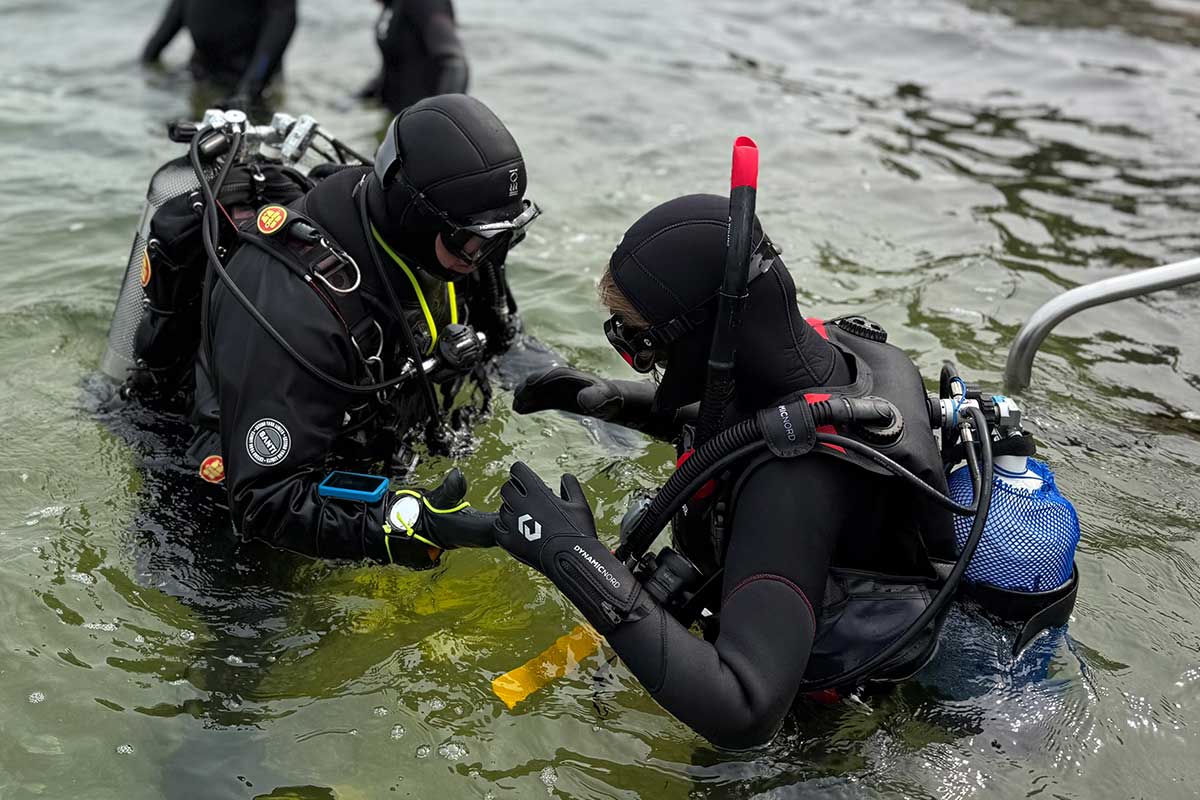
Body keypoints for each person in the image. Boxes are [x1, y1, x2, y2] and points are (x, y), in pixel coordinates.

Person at [492, 193, 961, 749]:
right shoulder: (837, 353)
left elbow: (745, 709)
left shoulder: (794, 483)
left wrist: (572, 555)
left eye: (641, 343)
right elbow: (742, 426)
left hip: (834, 739)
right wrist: (614, 399)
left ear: (704, 336)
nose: (639, 359)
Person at [191, 93, 540, 567]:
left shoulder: (462, 242)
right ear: (416, 216)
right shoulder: (291, 305)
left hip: (369, 441)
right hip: (225, 497)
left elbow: (505, 341)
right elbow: (264, 501)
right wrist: (405, 524)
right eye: (476, 240)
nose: (488, 255)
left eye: (504, 235)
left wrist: (592, 401)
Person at [140, 0, 297, 107]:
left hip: (250, 86)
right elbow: (179, 9)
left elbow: (282, 21)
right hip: (199, 75)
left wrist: (248, 91)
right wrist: (148, 57)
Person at [358, 0, 469, 114]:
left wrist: (443, 117)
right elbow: (396, 62)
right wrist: (360, 96)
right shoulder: (392, 4)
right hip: (397, 116)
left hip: (419, 120)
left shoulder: (425, 3)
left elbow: (455, 64)